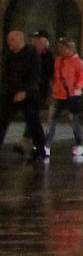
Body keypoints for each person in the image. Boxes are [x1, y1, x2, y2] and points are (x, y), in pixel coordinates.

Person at [6, 31, 52, 160]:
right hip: (14, 93)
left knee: (33, 121)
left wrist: (26, 91)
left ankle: (39, 149)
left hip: (31, 94)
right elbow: (7, 75)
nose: (9, 43)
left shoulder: (35, 55)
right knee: (4, 120)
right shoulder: (10, 56)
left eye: (12, 40)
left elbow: (37, 76)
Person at [50, 38, 83, 161]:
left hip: (72, 96)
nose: (61, 50)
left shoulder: (78, 62)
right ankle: (46, 145)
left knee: (74, 120)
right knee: (52, 120)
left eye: (63, 48)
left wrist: (77, 87)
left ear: (70, 48)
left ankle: (79, 144)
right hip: (59, 95)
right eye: (60, 48)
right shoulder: (58, 61)